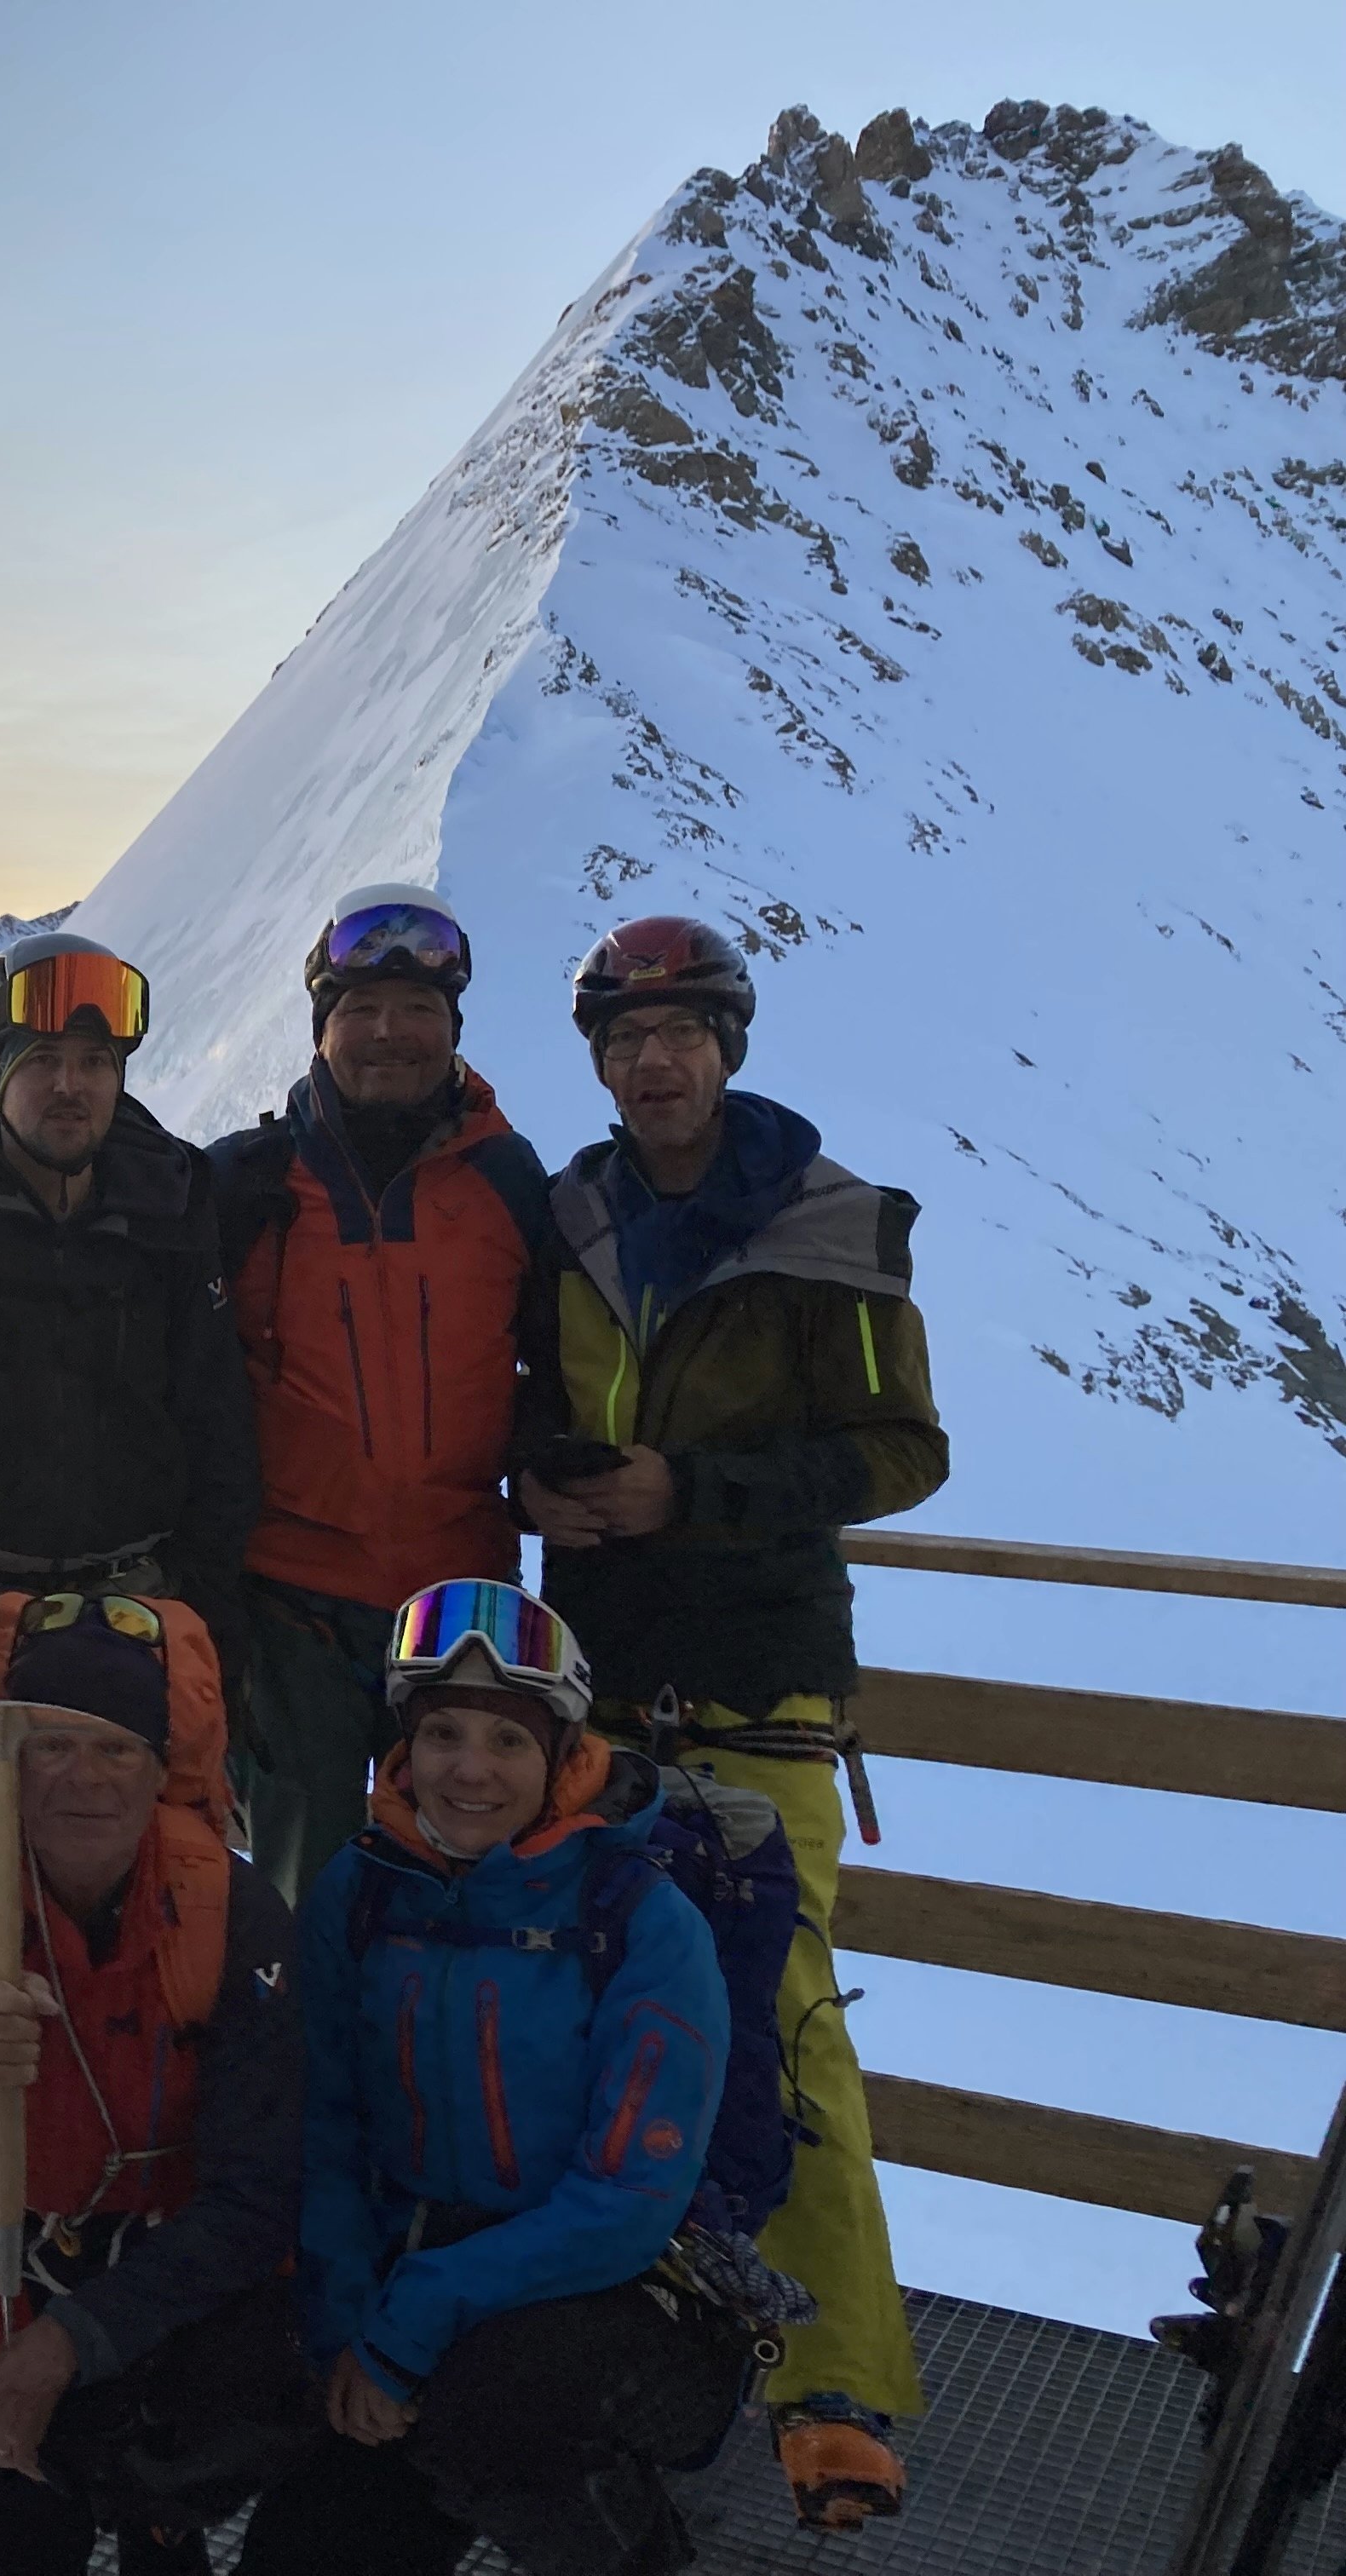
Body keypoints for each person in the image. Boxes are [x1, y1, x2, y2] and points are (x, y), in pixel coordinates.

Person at [515, 914, 949, 2527]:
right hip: (600, 1679)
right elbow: (525, 1394)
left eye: (683, 1032)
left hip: (760, 1685)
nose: (655, 1061)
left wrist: (689, 1490)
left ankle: (832, 2385)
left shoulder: (829, 1224)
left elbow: (899, 1449)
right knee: (597, 2021)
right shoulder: (568, 1221)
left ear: (730, 1041)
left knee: (779, 2020)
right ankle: (618, 2350)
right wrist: (542, 1467)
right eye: (627, 1041)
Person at [235, 1579, 751, 2576]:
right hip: (407, 2276)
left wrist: (408, 2325)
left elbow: (627, 2203)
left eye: (509, 1741)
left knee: (496, 2420)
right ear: (405, 1745)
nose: (470, 1770)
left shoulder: (639, 1917)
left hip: (624, 2292)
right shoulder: (359, 1889)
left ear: (560, 1756)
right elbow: (329, 2128)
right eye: (444, 1735)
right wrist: (348, 2337)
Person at [0, 1590, 309, 2576]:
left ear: (160, 1765)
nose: (84, 1779)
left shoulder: (229, 1907)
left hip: (182, 2259)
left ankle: (155, 2517)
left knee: (187, 2438)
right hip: (4, 2241)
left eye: (118, 1747)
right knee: (2, 2500)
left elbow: (262, 2197)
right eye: (48, 1744)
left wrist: (67, 2350)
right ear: (4, 1760)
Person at [202, 886, 555, 1910]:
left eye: (418, 1010)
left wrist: (544, 1459)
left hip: (459, 1610)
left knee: (460, 1893)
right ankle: (298, 2073)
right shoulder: (249, 1186)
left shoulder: (511, 1181)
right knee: (296, 1900)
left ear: (454, 1028)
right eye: (362, 1010)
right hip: (291, 1609)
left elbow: (559, 1368)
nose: (390, 1034)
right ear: (322, 1030)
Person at [0, 929, 261, 1709]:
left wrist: (207, 1609)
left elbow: (215, 1416)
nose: (71, 1085)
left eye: (94, 1063)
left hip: (132, 1611)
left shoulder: (171, 1208)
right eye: (43, 1060)